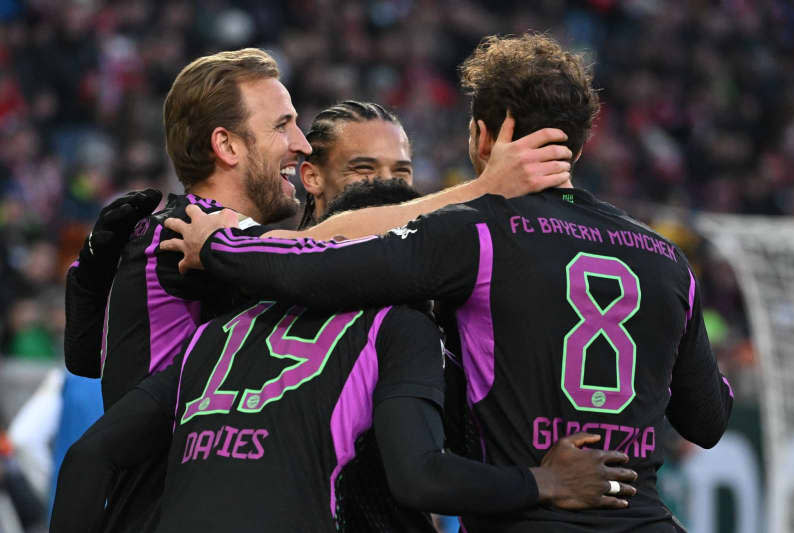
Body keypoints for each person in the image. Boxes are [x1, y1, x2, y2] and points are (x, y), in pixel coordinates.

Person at [164, 33, 734, 532]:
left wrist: (218, 243)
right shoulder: (666, 259)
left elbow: (325, 267)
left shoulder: (476, 234)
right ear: (580, 146)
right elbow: (709, 420)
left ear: (481, 137)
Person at [62, 45, 578, 531]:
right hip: (168, 509)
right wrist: (482, 192)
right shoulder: (191, 232)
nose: (299, 140)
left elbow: (90, 360)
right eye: (282, 125)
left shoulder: (234, 258)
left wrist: (87, 284)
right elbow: (322, 251)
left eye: (401, 170)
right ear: (227, 145)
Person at [52, 179, 636, 533]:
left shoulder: (221, 329)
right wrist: (543, 481)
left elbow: (87, 458)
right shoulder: (397, 327)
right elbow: (421, 477)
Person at [298, 100, 413, 228]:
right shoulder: (279, 246)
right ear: (312, 178)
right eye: (364, 168)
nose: (388, 180)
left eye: (401, 170)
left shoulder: (429, 246)